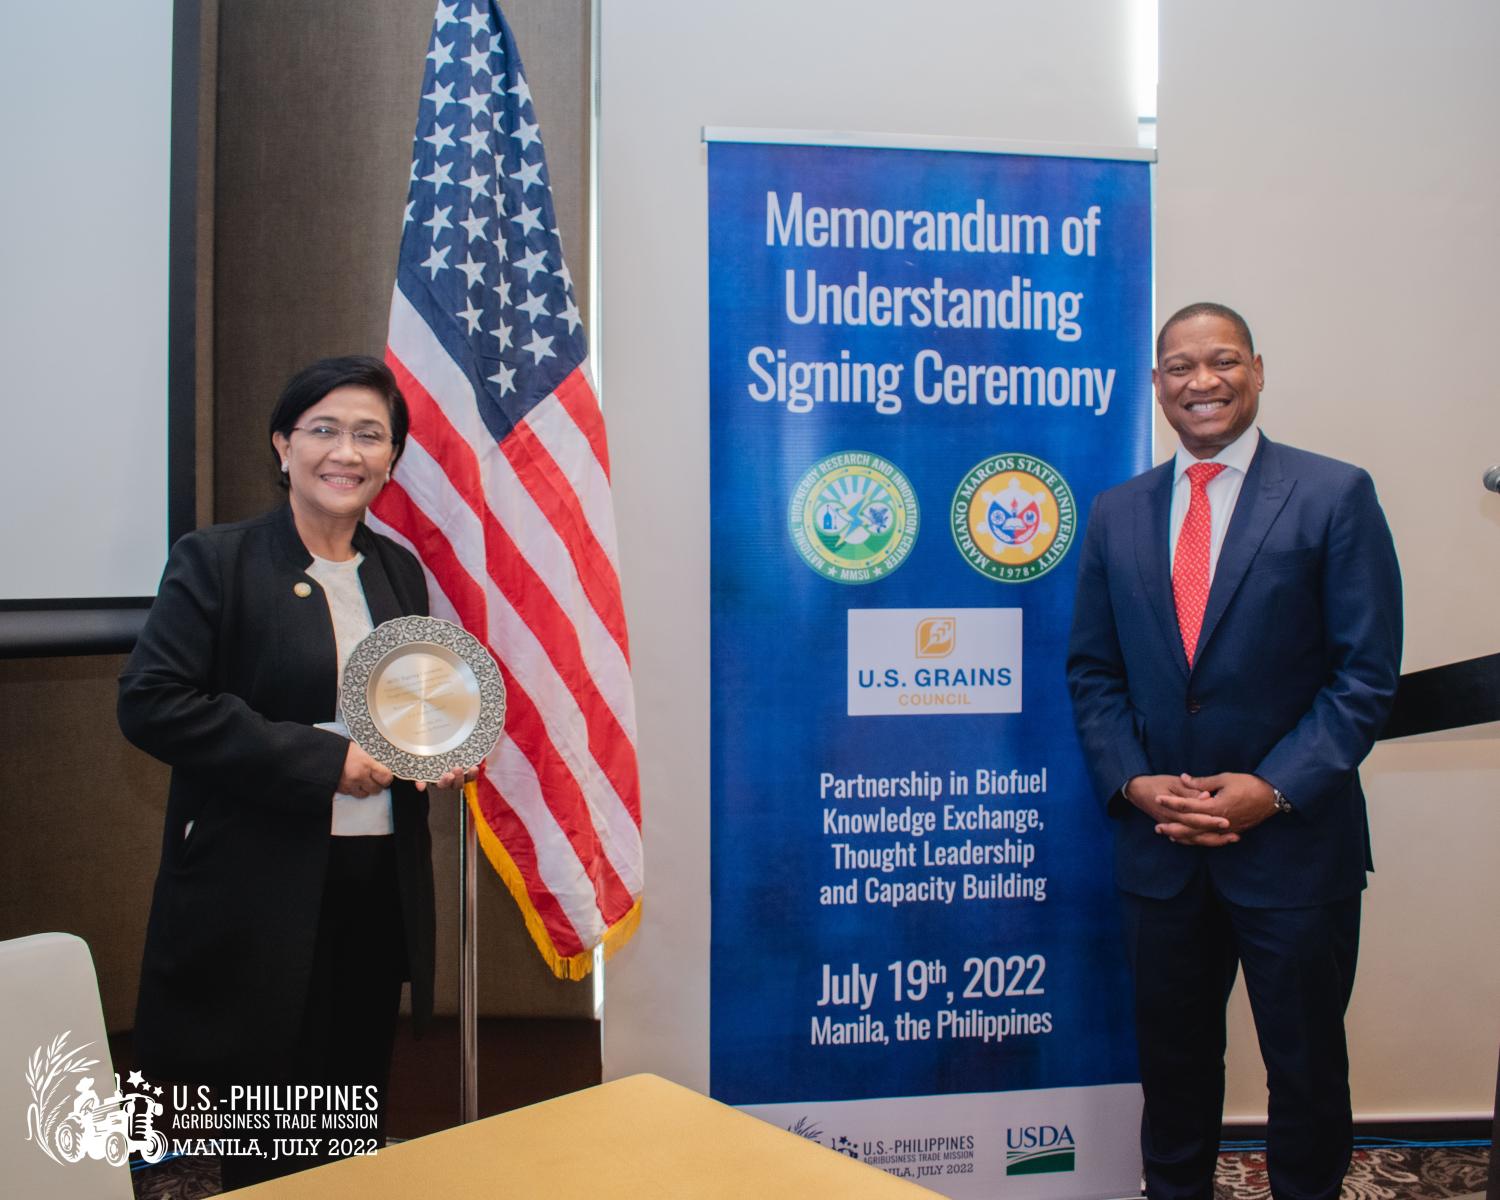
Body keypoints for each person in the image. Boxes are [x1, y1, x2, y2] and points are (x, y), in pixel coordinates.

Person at [1066, 304, 1402, 1200]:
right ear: (1156, 386)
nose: (1201, 381)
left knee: (1305, 1075)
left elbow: (1365, 677)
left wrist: (1274, 789)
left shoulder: (1334, 495)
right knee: (1173, 1074)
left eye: (1221, 362)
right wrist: (1134, 783)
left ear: (1257, 370)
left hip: (1295, 851)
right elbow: (1093, 674)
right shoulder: (1116, 512)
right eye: (1180, 367)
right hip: (1160, 853)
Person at [119, 356, 470, 1187]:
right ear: (282, 446)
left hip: (372, 880)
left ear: (390, 458)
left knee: (345, 1117)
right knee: (254, 1133)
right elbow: (153, 703)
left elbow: (408, 702)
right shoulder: (216, 561)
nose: (345, 451)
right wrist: (325, 763)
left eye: (369, 435)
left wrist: (438, 749)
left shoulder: (396, 570)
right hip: (255, 888)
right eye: (324, 429)